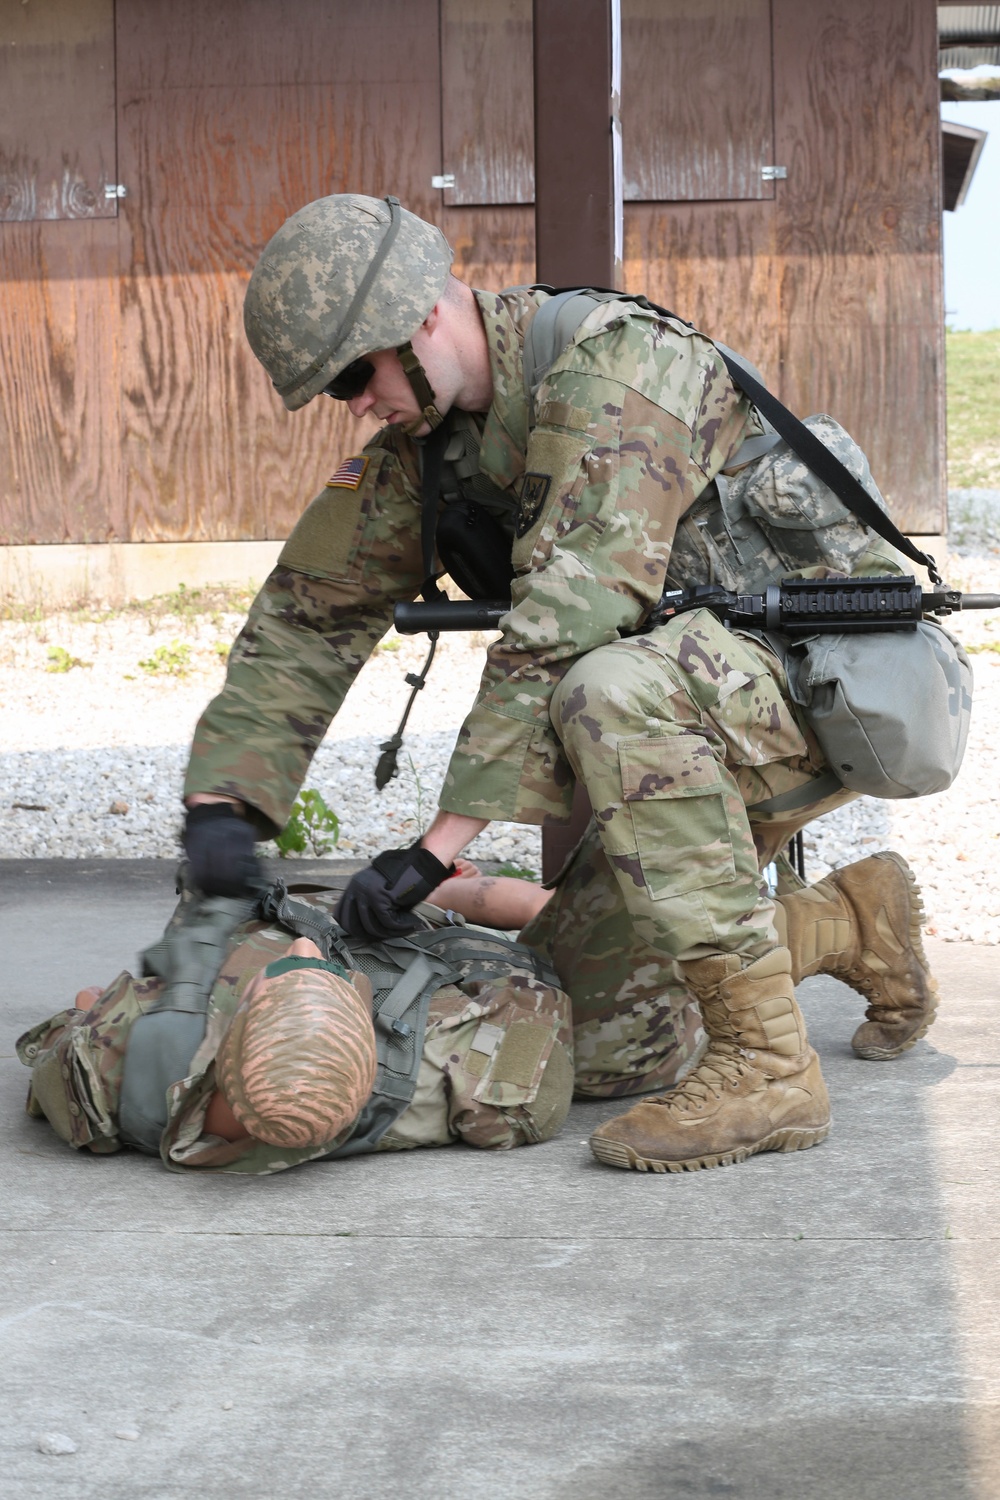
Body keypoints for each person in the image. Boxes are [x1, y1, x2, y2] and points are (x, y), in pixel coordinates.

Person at [181, 192, 934, 1175]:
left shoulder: (622, 367)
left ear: (419, 320)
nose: (355, 405)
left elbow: (563, 622)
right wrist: (224, 802)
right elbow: (307, 614)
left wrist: (430, 854)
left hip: (819, 693)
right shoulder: (434, 453)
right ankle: (854, 922)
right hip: (688, 719)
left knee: (605, 685)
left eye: (352, 376)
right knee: (609, 1036)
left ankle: (767, 1069)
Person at [17, 894, 574, 1174]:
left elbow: (87, 1011)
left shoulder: (107, 1077)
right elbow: (537, 1036)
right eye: (330, 975)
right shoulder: (457, 1075)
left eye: (277, 975)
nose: (304, 946)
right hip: (442, 948)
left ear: (229, 1036)